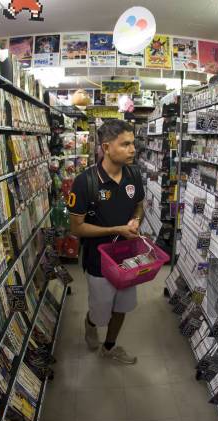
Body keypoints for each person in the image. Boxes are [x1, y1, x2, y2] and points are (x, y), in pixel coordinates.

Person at [67, 119, 144, 365]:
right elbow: (76, 228)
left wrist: (135, 220)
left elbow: (139, 205)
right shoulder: (85, 182)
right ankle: (91, 324)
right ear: (107, 147)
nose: (133, 149)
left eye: (133, 143)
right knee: (101, 315)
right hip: (99, 263)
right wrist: (116, 229)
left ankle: (109, 347)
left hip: (128, 259)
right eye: (125, 144)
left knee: (122, 308)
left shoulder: (134, 174)